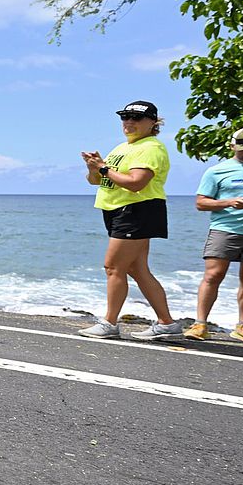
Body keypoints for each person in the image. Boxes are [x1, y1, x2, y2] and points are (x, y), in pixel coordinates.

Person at [78, 101, 183, 340]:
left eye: (136, 118)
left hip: (137, 209)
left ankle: (109, 323)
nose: (129, 122)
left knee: (113, 267)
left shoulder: (150, 147)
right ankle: (167, 324)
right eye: (125, 117)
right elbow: (96, 181)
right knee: (137, 268)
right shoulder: (122, 148)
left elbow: (136, 182)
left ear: (153, 123)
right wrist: (94, 168)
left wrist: (103, 168)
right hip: (118, 210)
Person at [183, 127, 243, 343]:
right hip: (225, 229)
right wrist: (230, 202)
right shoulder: (217, 171)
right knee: (213, 276)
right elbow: (201, 203)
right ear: (232, 146)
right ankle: (200, 324)